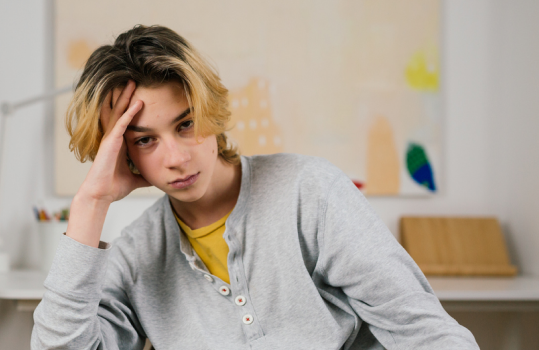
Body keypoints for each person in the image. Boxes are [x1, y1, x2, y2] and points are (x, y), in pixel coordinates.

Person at [31, 25, 479, 349]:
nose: (176, 157)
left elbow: (425, 333)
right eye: (145, 139)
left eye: (186, 124)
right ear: (124, 154)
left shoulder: (311, 193)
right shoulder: (135, 257)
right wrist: (91, 202)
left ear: (209, 110)